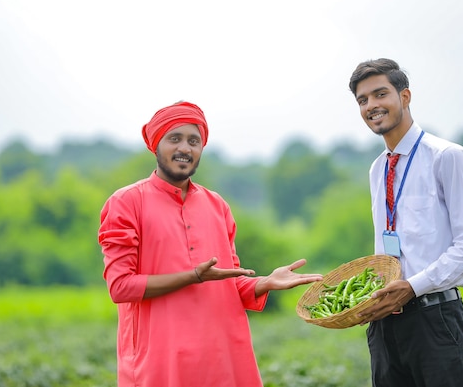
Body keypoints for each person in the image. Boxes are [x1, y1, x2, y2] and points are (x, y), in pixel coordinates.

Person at [98, 101, 323, 387]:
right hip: (161, 362)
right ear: (156, 145)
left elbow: (228, 282)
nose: (185, 148)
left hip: (223, 358)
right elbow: (120, 287)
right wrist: (193, 277)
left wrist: (265, 282)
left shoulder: (217, 205)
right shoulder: (126, 202)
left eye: (194, 141)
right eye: (174, 139)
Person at [348, 58, 463, 387]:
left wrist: (412, 286)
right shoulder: (377, 169)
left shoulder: (446, 156)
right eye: (362, 100)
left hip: (435, 320)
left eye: (380, 94)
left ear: (405, 96)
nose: (371, 105)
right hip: (386, 326)